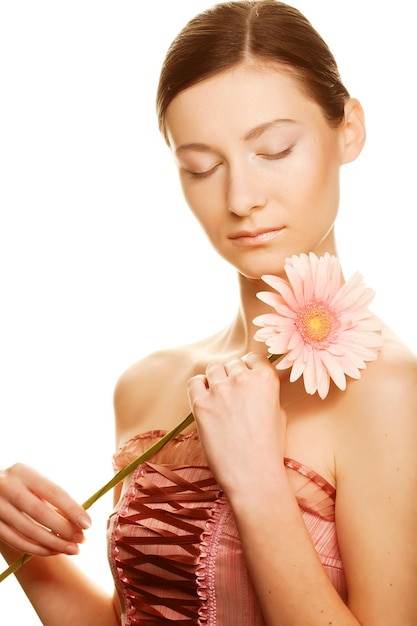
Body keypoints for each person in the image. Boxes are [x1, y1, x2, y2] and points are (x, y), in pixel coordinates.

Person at [0, 1, 416, 624]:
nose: (241, 198)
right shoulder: (146, 386)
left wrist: (257, 483)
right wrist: (23, 543)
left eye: (273, 150)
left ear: (349, 129)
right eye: (202, 166)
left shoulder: (388, 393)